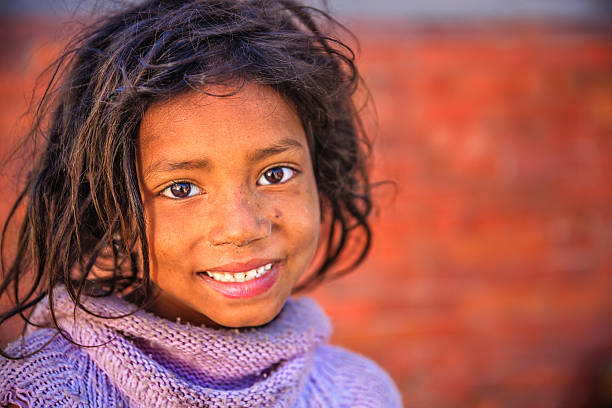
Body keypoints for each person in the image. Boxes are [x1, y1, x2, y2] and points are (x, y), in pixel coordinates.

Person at [0, 0, 402, 406]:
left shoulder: (359, 391)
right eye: (181, 189)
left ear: (321, 173)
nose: (241, 228)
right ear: (110, 210)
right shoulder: (38, 393)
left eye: (275, 174)